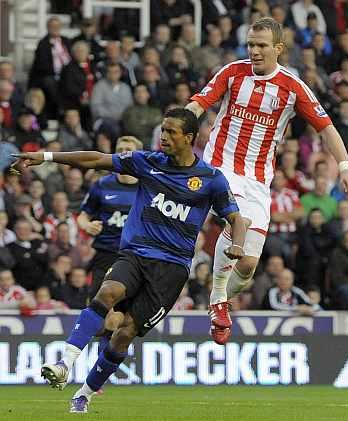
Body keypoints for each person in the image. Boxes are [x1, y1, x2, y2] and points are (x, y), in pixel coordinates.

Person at [11, 108, 245, 413]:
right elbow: (96, 159)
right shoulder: (147, 162)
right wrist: (46, 157)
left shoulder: (210, 179)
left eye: (171, 132)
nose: (164, 136)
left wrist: (238, 244)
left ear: (189, 138)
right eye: (163, 129)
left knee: (125, 333)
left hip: (172, 269)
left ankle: (85, 393)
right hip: (136, 253)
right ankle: (64, 362)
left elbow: (236, 218)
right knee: (107, 293)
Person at [185, 17, 348, 344]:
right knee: (238, 219)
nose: (254, 51)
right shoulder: (232, 72)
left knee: (249, 265)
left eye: (262, 45)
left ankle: (218, 298)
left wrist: (346, 166)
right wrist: (179, 127)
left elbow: (327, 129)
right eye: (251, 44)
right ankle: (218, 300)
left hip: (258, 178)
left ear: (278, 48)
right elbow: (199, 104)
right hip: (221, 165)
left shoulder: (293, 88)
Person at [78, 136, 142, 299]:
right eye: (119, 150)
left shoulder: (149, 187)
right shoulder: (102, 184)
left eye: (128, 150)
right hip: (106, 253)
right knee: (96, 303)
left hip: (137, 255)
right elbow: (83, 216)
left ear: (139, 155)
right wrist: (87, 226)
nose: (123, 154)